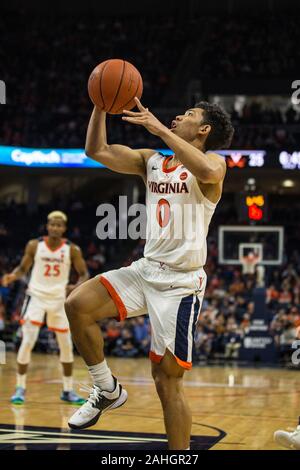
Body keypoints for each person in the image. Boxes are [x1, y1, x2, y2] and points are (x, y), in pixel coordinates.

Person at [65, 97, 234, 450]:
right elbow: (96, 149)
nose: (177, 115)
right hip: (145, 270)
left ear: (204, 130)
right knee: (78, 304)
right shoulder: (152, 160)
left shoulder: (213, 162)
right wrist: (100, 103)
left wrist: (156, 127)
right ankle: (107, 389)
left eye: (188, 115)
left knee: (166, 382)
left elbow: (209, 173)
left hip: (179, 284)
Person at [2, 211, 89, 405]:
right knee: (27, 341)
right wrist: (12, 276)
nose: (56, 228)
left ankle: (67, 390)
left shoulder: (72, 249)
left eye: (59, 225)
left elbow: (84, 273)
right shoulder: (35, 245)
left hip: (59, 300)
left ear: (64, 228)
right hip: (36, 297)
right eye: (53, 225)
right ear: (47, 226)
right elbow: (23, 269)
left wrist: (76, 286)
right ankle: (20, 387)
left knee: (66, 346)